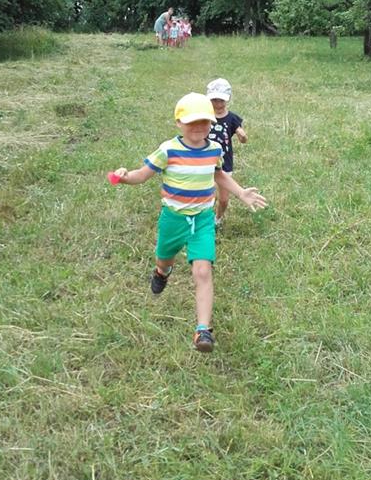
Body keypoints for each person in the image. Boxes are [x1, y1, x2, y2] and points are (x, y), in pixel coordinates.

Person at [112, 92, 266, 353]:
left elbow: (219, 175)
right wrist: (125, 177)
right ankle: (162, 272)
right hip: (173, 219)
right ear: (178, 123)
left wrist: (240, 193)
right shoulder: (168, 150)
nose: (198, 127)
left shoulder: (214, 149)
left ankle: (203, 330)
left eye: (204, 121)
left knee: (203, 271)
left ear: (211, 123)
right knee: (164, 259)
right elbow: (142, 174)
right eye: (191, 121)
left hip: (203, 220)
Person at [206, 78, 247, 227]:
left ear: (227, 99)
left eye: (221, 100)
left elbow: (243, 137)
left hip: (224, 162)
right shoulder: (205, 116)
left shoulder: (232, 118)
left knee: (223, 199)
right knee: (208, 195)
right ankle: (204, 219)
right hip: (205, 161)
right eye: (214, 100)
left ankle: (218, 218)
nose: (218, 104)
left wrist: (242, 136)